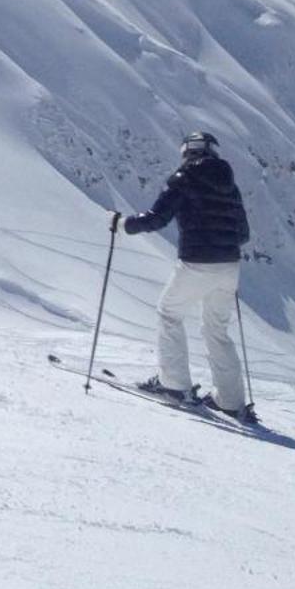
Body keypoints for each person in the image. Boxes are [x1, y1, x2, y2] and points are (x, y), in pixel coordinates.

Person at [117, 131, 256, 422]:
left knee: (169, 313)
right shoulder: (231, 186)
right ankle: (231, 401)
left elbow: (157, 218)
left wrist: (123, 224)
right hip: (229, 266)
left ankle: (174, 386)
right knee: (216, 330)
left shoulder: (183, 179)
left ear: (187, 151)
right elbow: (243, 234)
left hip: (197, 262)